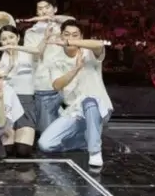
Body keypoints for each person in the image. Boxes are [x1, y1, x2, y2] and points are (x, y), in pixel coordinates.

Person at [37, 20, 112, 169]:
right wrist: (76, 69)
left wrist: (71, 41)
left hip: (96, 107)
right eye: (66, 35)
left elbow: (99, 45)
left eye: (75, 35)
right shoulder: (55, 59)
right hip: (73, 111)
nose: (70, 38)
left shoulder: (89, 52)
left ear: (81, 37)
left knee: (89, 100)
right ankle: (86, 140)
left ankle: (95, 151)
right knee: (45, 144)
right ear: (61, 36)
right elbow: (57, 85)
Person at [20, 0, 72, 132]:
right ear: (37, 12)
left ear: (55, 9)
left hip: (68, 80)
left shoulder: (64, 27)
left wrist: (52, 19)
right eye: (40, 9)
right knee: (47, 132)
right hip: (45, 84)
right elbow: (34, 55)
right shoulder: (30, 32)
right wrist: (45, 38)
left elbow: (73, 20)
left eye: (47, 8)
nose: (43, 11)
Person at [0, 25, 50, 157]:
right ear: (0, 42)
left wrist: (46, 38)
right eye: (4, 39)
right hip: (6, 104)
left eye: (11, 37)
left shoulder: (27, 54)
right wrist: (9, 66)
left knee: (23, 151)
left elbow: (38, 51)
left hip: (25, 102)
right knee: (7, 151)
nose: (8, 41)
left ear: (18, 37)